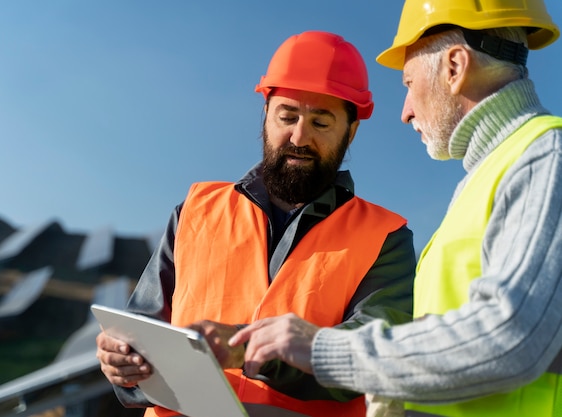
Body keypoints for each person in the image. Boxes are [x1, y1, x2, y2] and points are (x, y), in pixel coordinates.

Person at [229, 1, 562, 416]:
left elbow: (514, 338)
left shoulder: (545, 159)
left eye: (408, 82)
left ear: (455, 67)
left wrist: (321, 349)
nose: (404, 112)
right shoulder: (494, 175)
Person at [95, 30, 416, 417]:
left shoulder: (385, 236)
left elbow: (372, 357)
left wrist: (251, 350)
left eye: (321, 122)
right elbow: (141, 334)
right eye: (288, 116)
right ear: (266, 113)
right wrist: (122, 366)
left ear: (351, 130)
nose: (300, 136)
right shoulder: (195, 210)